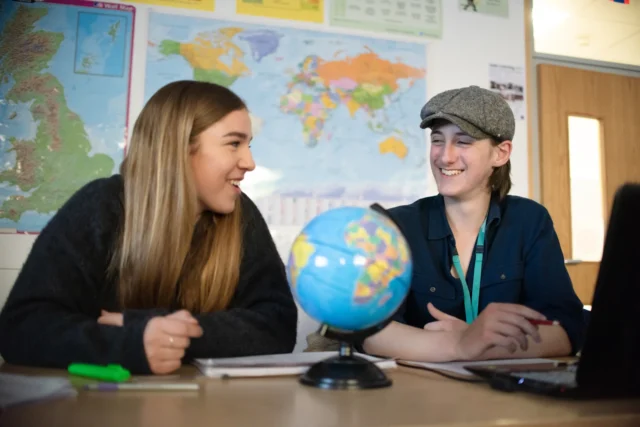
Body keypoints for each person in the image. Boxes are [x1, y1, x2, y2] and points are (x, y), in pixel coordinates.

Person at [0, 80, 298, 374]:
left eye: (248, 145)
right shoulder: (100, 205)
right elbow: (22, 327)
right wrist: (129, 343)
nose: (250, 162)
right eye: (234, 143)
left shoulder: (242, 215)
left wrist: (162, 332)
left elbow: (277, 326)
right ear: (179, 148)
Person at [307, 85, 585, 362]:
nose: (444, 156)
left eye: (462, 141)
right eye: (437, 140)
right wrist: (459, 345)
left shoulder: (530, 221)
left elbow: (566, 330)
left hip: (507, 394)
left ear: (500, 153)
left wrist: (480, 344)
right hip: (415, 394)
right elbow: (370, 331)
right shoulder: (395, 226)